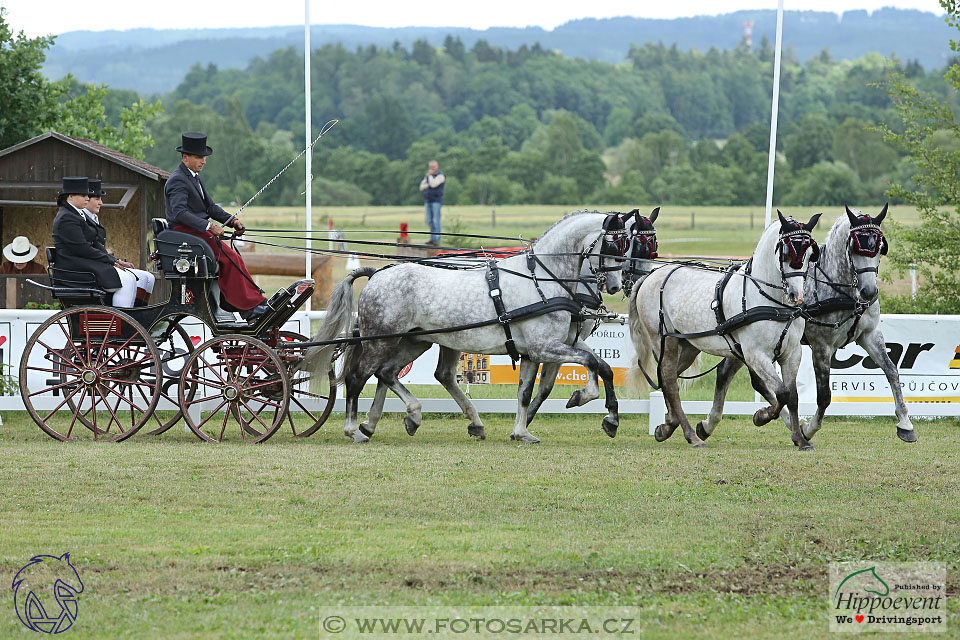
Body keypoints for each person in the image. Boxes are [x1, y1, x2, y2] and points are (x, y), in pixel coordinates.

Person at [164, 132, 268, 321]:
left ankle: (254, 302)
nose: (203, 161)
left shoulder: (194, 177)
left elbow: (210, 207)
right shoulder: (178, 180)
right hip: (186, 234)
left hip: (196, 232)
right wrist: (209, 226)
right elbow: (179, 213)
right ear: (185, 157)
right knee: (230, 258)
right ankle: (247, 308)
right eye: (198, 157)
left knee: (235, 256)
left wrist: (232, 220)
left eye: (204, 157)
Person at [51, 176, 138, 306]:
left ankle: (125, 318)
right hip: (73, 266)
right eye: (83, 195)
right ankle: (120, 321)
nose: (87, 198)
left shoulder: (75, 214)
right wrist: (110, 261)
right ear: (70, 196)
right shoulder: (66, 218)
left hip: (82, 261)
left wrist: (114, 260)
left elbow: (94, 243)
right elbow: (83, 248)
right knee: (126, 280)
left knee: (130, 277)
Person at [83, 179, 155, 306]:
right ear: (86, 199)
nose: (101, 203)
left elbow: (99, 248)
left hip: (102, 262)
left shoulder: (93, 218)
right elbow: (89, 249)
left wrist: (115, 260)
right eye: (97, 199)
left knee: (147, 278)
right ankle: (122, 320)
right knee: (129, 280)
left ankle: (138, 312)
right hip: (93, 267)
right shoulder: (82, 219)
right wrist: (113, 261)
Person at [419, 160, 445, 246]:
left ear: (437, 167)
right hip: (428, 201)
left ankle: (437, 239)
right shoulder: (427, 176)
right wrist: (428, 184)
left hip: (436, 201)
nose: (432, 169)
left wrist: (430, 177)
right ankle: (432, 239)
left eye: (433, 167)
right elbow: (421, 187)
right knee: (430, 221)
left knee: (436, 220)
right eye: (430, 167)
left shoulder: (440, 176)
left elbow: (434, 184)